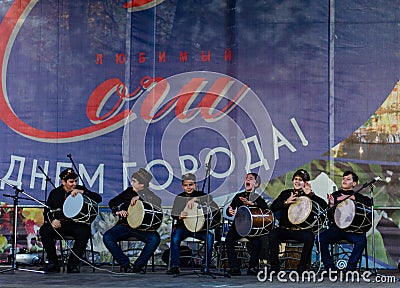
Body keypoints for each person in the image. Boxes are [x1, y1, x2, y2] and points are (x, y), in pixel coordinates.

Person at [39, 168, 102, 273]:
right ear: (63, 182)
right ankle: (53, 263)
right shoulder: (55, 193)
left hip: (76, 223)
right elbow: (47, 211)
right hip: (60, 224)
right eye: (71, 182)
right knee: (45, 230)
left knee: (84, 232)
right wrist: (53, 221)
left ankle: (73, 264)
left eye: (75, 181)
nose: (74, 184)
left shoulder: (79, 189)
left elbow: (98, 198)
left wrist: (83, 192)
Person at [268, 169, 327, 274]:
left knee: (310, 236)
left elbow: (324, 207)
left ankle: (302, 267)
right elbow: (273, 207)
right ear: (292, 180)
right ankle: (274, 266)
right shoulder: (286, 193)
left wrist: (311, 195)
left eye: (301, 180)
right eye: (296, 179)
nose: (297, 182)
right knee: (273, 234)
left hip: (301, 231)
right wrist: (286, 202)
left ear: (306, 183)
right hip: (285, 229)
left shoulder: (309, 195)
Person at [103, 168, 162, 273]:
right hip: (125, 225)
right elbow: (113, 202)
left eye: (134, 181)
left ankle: (138, 265)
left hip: (141, 228)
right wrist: (117, 211)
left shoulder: (148, 194)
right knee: (108, 237)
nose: (132, 183)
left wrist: (140, 197)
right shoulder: (128, 192)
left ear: (142, 185)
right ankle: (125, 264)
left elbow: (158, 201)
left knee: (155, 238)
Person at [317, 170, 371, 271]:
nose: (344, 180)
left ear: (354, 183)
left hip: (352, 230)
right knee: (320, 239)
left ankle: (350, 268)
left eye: (348, 179)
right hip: (337, 229)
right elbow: (330, 217)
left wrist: (349, 197)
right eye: (343, 178)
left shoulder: (357, 195)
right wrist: (332, 205)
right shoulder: (336, 195)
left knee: (361, 240)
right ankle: (330, 267)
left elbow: (369, 202)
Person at [167, 173, 219, 275]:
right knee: (175, 238)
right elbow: (173, 214)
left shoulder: (201, 195)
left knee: (210, 237)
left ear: (195, 185)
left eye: (191, 185)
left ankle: (205, 265)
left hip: (199, 228)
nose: (188, 187)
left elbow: (210, 198)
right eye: (186, 185)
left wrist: (195, 199)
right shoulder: (179, 197)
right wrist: (179, 216)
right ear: (182, 186)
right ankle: (175, 265)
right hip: (183, 227)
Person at [224, 172, 269, 276]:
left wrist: (252, 204)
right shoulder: (238, 196)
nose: (247, 180)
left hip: (252, 228)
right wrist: (229, 211)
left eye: (251, 178)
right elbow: (230, 209)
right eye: (246, 178)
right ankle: (234, 267)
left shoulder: (257, 198)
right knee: (229, 240)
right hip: (238, 227)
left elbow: (266, 209)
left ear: (256, 184)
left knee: (257, 243)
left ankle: (252, 267)